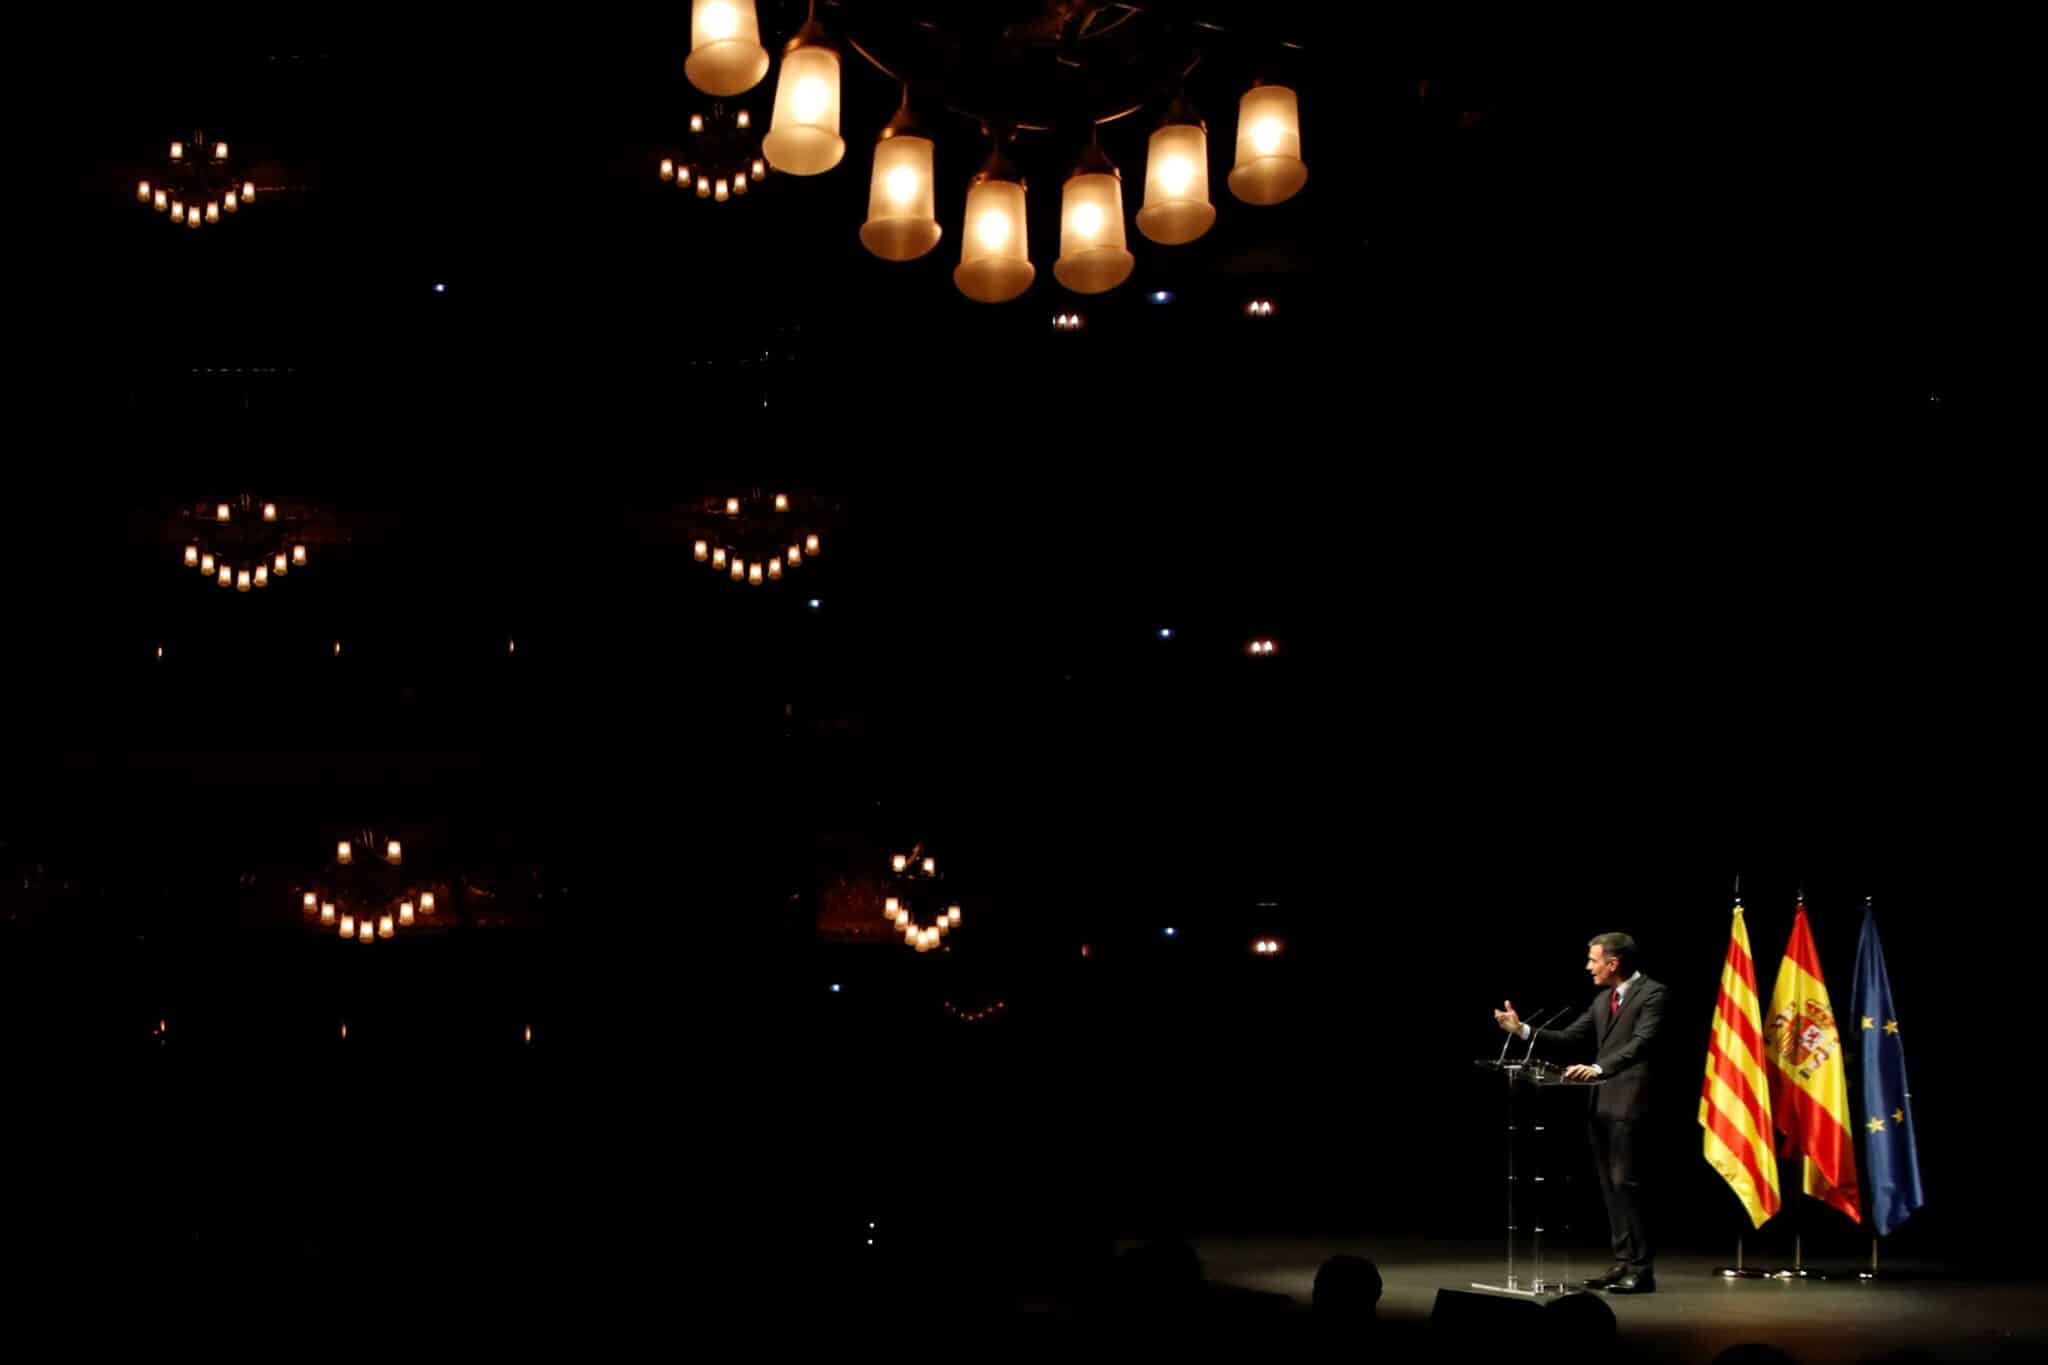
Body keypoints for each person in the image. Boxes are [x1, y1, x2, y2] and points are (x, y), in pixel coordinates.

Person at [1494, 932, 1665, 1294]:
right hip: (1600, 1103)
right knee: (1609, 1186)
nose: (1589, 967)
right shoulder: (1603, 1000)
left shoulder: (1653, 994)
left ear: (1613, 963)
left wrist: (1600, 1068)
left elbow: (1642, 1042)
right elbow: (1570, 1037)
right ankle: (1623, 1263)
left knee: (1626, 1184)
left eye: (1593, 960)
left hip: (1631, 1101)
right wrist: (1522, 1030)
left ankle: (1642, 1269)